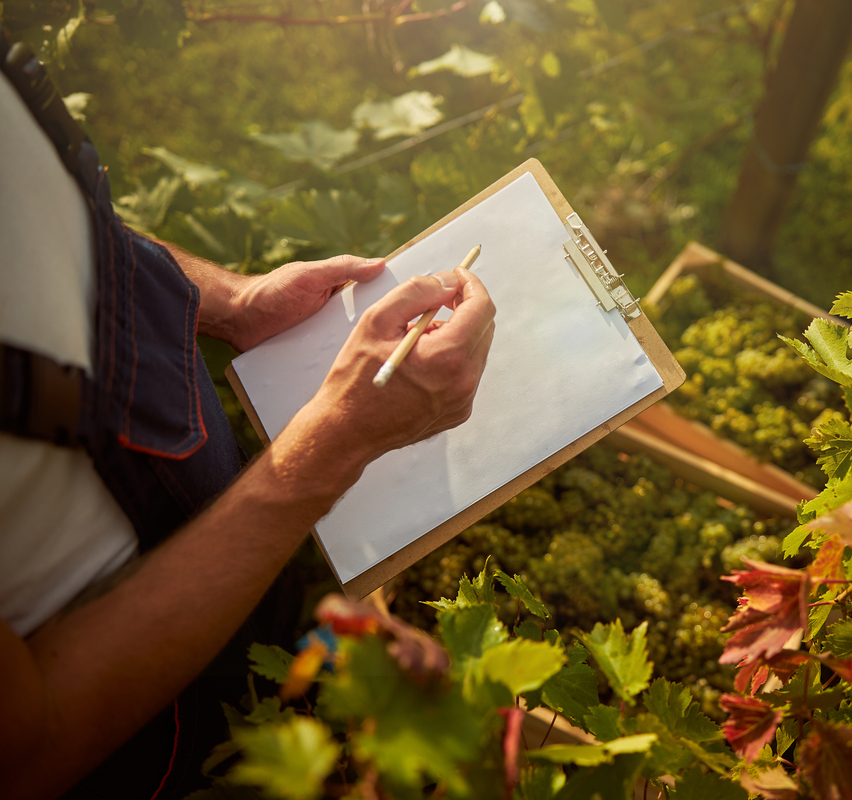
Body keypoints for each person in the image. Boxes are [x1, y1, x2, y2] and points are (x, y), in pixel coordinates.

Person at [0, 33, 496, 800]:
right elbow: (24, 753)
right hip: (146, 730)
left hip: (234, 542)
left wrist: (229, 300)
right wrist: (330, 448)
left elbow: (50, 224)